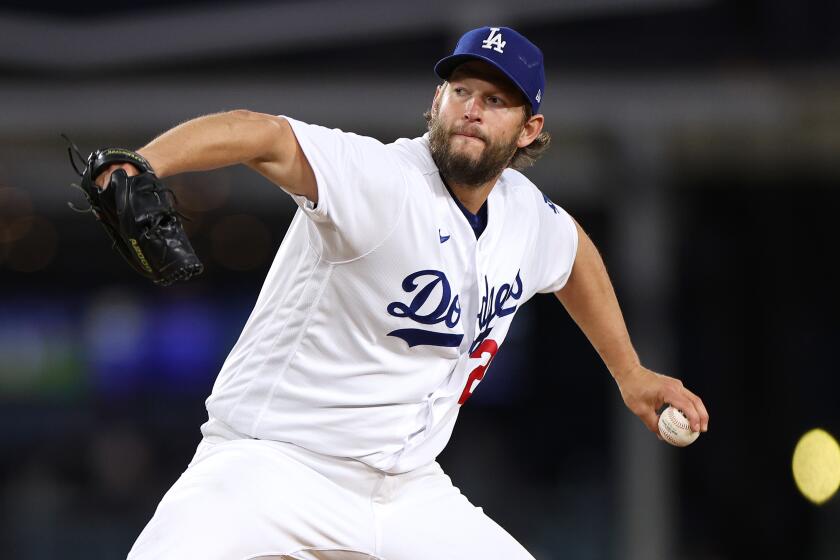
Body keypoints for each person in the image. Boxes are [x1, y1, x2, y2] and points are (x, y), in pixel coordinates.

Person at [99, 26, 709, 560]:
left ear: (529, 130)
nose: (471, 108)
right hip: (273, 464)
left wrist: (630, 373)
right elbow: (263, 135)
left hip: (406, 488)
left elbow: (574, 254)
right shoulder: (381, 181)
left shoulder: (525, 216)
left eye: (495, 100)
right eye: (461, 91)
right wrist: (141, 164)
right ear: (435, 102)